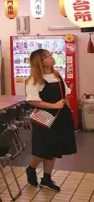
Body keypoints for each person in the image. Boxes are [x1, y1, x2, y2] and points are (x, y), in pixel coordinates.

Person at [24, 48, 77, 192]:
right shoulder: (34, 79)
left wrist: (69, 109)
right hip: (44, 119)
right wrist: (53, 105)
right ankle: (31, 168)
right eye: (47, 56)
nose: (51, 57)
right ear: (39, 62)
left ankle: (46, 178)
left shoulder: (56, 74)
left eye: (50, 55)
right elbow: (33, 101)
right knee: (41, 150)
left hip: (60, 117)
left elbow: (66, 94)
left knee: (53, 149)